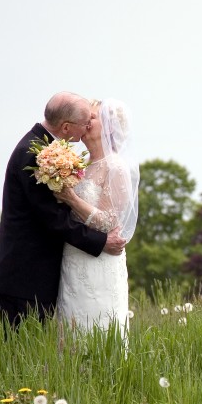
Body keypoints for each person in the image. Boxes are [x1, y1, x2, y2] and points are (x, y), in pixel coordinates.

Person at [0, 92, 126, 330]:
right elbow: (54, 219)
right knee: (19, 353)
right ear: (65, 127)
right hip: (25, 275)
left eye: (92, 119)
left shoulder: (48, 150)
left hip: (46, 272)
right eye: (85, 120)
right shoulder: (36, 154)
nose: (86, 126)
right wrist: (101, 242)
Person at [53, 98, 139, 337]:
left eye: (93, 117)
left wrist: (71, 199)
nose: (86, 121)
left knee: (98, 330)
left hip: (99, 262)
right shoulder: (80, 164)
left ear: (109, 127)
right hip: (72, 258)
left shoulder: (116, 167)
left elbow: (110, 222)